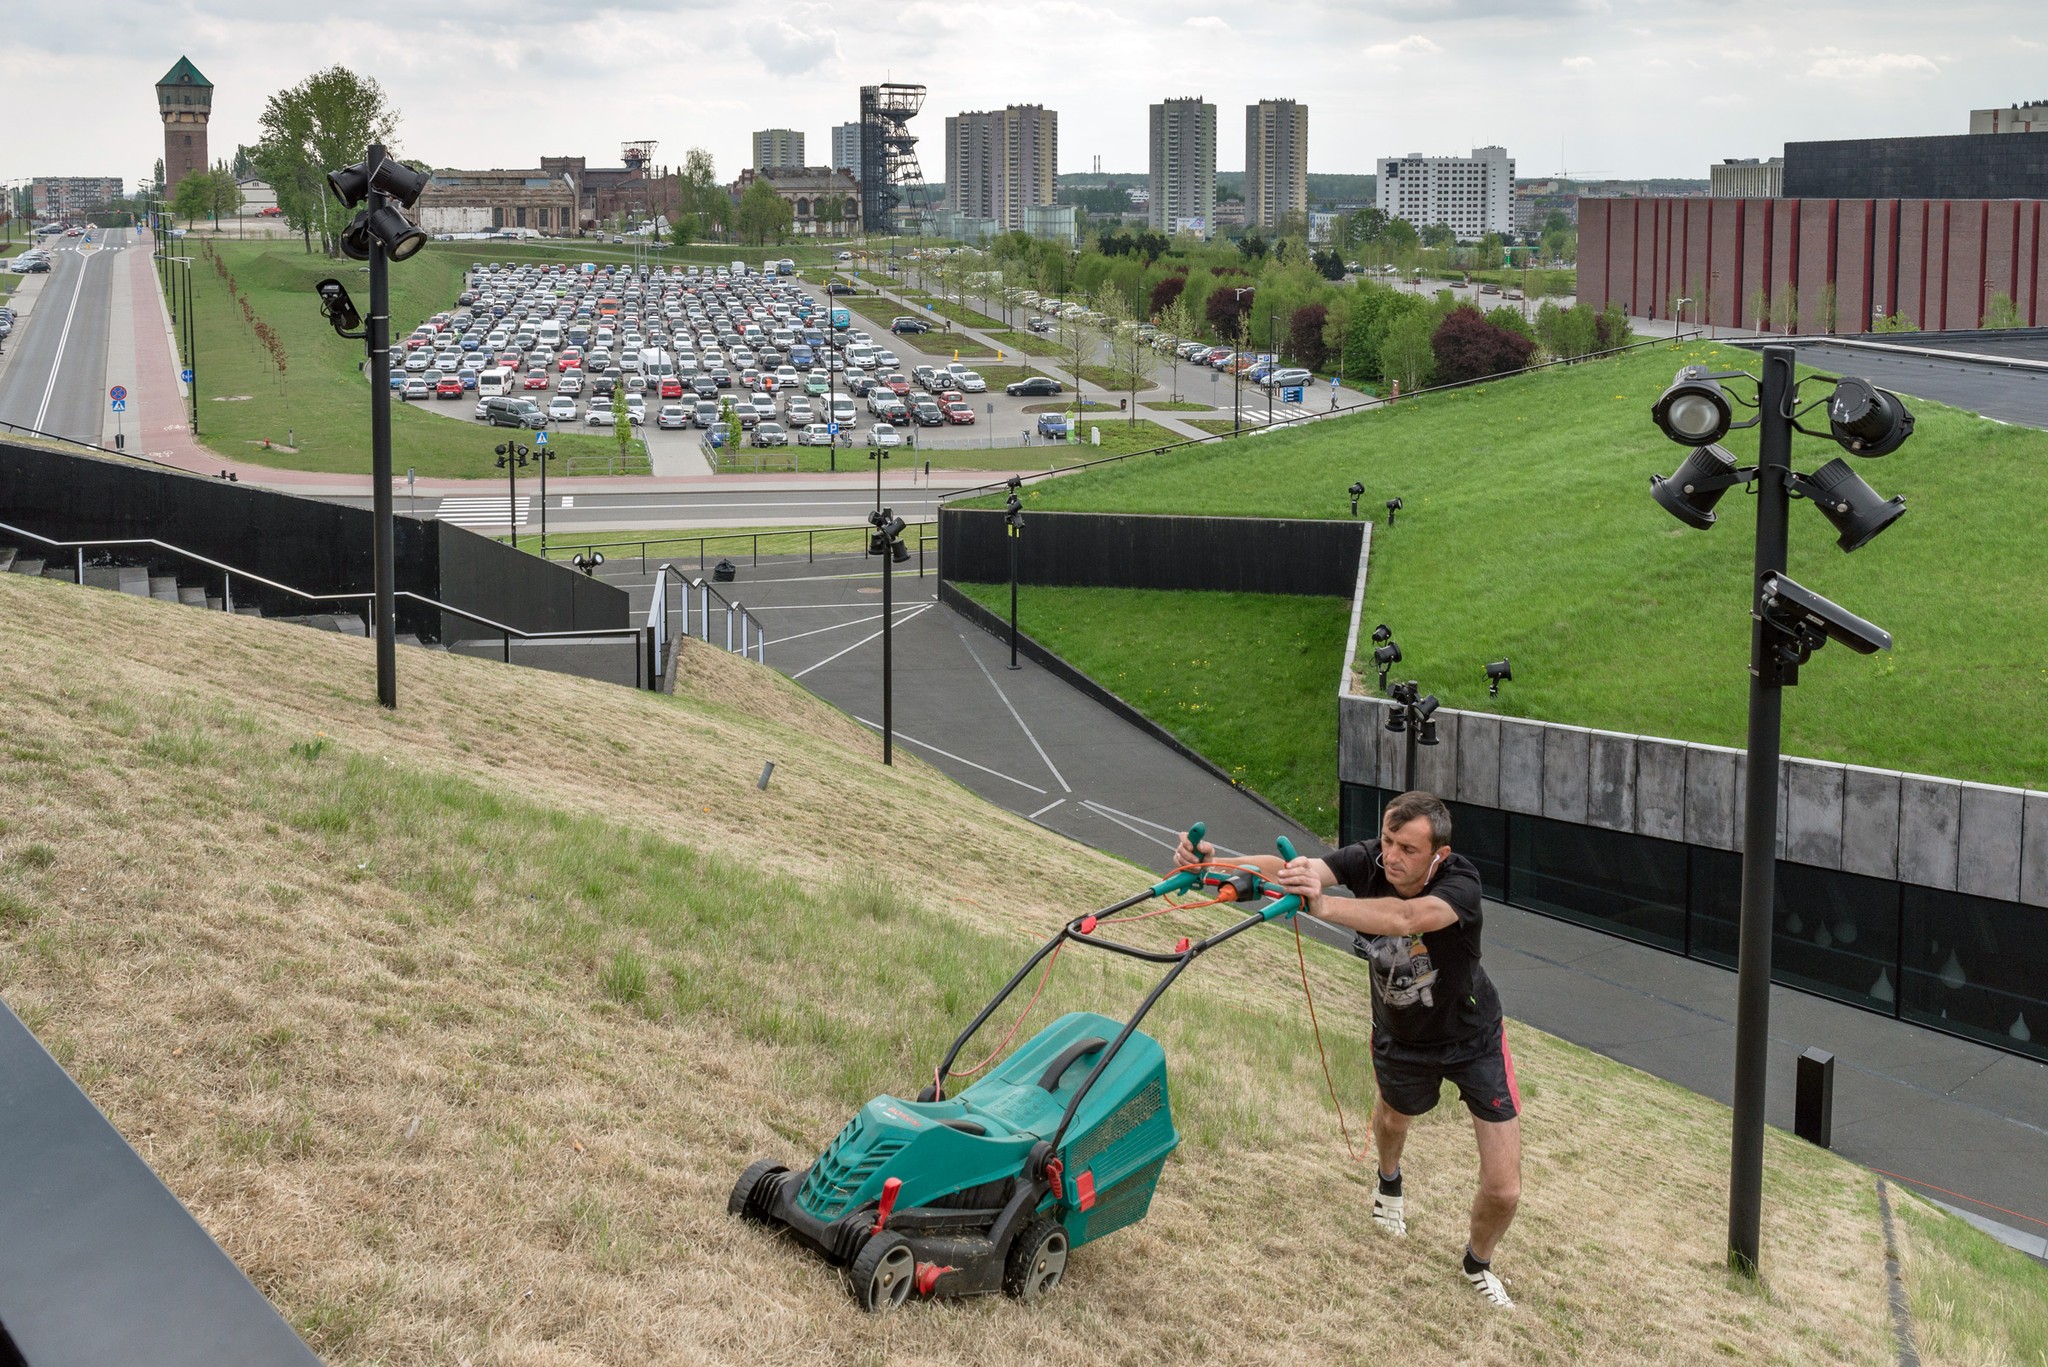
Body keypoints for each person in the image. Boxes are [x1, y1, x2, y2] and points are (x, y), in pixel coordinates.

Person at [1174, 790, 1521, 1308]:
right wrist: (1214, 864)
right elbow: (1292, 867)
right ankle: (1389, 1183)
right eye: (1388, 841)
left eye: (1409, 848)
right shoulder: (1370, 860)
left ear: (1438, 856)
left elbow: (1408, 920)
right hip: (1401, 1034)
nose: (1393, 857)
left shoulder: (1461, 883)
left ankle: (1478, 1262)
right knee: (1394, 1120)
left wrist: (1323, 904)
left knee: (1503, 1190)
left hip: (1473, 1039)